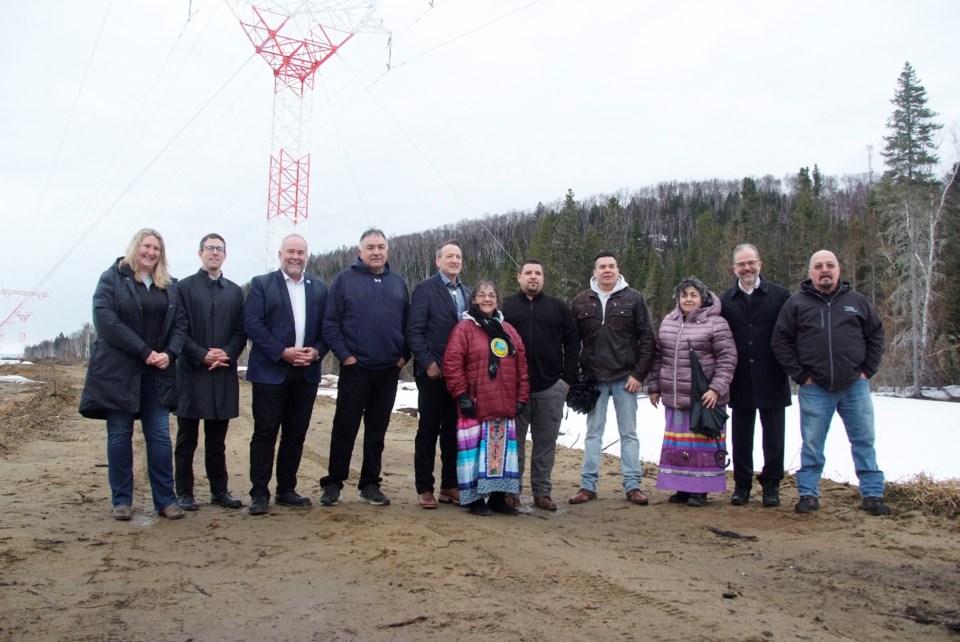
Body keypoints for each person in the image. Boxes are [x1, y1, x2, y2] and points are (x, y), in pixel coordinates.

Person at [79, 228, 187, 521]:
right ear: (135, 247)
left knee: (160, 438)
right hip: (119, 372)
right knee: (119, 436)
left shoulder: (169, 286)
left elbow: (180, 325)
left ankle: (166, 500)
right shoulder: (112, 278)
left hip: (157, 373)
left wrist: (169, 353)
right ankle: (122, 501)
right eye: (146, 246)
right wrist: (144, 351)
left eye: (156, 248)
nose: (151, 252)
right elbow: (106, 322)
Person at [772, 250, 889, 516]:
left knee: (863, 440)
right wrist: (801, 376)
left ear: (839, 269)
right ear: (810, 272)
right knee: (812, 443)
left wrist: (867, 369)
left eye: (830, 265)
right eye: (819, 266)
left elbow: (876, 335)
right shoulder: (796, 304)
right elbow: (781, 342)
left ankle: (872, 493)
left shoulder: (856, 301)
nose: (825, 270)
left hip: (854, 386)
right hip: (815, 387)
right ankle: (808, 494)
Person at [320, 228, 410, 507]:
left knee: (377, 431)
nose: (376, 251)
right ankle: (333, 483)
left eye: (381, 246)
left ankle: (370, 484)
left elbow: (409, 325)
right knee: (345, 428)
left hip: (388, 370)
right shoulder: (344, 281)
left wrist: (402, 357)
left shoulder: (398, 283)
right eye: (370, 247)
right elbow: (330, 324)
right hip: (355, 368)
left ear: (387, 251)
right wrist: (346, 357)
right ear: (360, 252)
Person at [243, 233, 328, 516]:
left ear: (307, 256)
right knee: (265, 432)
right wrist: (282, 352)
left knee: (295, 434)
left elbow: (328, 328)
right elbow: (253, 325)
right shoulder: (261, 285)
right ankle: (259, 493)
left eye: (301, 252)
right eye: (290, 251)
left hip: (306, 372)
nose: (295, 256)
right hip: (271, 372)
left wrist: (316, 351)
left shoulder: (319, 288)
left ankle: (286, 490)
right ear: (280, 255)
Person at [569, 252, 655, 506]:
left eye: (611, 266)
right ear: (594, 271)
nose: (607, 270)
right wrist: (576, 377)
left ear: (618, 270)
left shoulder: (634, 298)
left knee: (629, 433)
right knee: (593, 434)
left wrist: (639, 374)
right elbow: (573, 342)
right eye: (602, 267)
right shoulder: (581, 301)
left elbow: (647, 339)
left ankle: (633, 485)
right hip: (594, 380)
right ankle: (588, 485)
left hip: (625, 379)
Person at [648, 277, 737, 507]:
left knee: (701, 443)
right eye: (684, 295)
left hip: (704, 398)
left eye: (693, 295)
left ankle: (701, 489)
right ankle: (682, 487)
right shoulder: (669, 321)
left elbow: (727, 358)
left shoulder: (716, 323)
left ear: (702, 298)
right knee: (679, 444)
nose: (688, 299)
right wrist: (655, 386)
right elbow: (659, 356)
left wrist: (716, 389)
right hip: (676, 395)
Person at [173, 233, 247, 511]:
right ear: (200, 253)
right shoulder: (184, 288)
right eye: (209, 248)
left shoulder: (234, 291)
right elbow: (178, 328)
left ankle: (219, 491)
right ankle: (184, 492)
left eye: (219, 249)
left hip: (223, 372)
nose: (214, 253)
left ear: (225, 256)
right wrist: (201, 355)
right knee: (187, 439)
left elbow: (242, 331)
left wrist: (227, 352)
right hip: (192, 372)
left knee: (217, 441)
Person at [443, 280, 530, 516]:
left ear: (498, 300)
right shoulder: (464, 329)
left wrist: (521, 397)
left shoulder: (508, 330)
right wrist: (461, 395)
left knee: (500, 453)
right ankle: (474, 500)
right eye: (481, 295)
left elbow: (521, 365)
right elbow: (452, 363)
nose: (487, 299)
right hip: (475, 403)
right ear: (473, 300)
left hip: (503, 403)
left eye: (491, 295)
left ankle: (498, 499)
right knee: (474, 454)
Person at [501, 259, 579, 511]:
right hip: (514, 389)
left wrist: (566, 380)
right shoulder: (506, 307)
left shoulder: (557, 308)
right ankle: (512, 491)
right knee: (515, 445)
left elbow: (573, 342)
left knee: (545, 445)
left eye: (538, 273)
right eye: (528, 273)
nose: (533, 277)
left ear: (543, 278)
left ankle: (542, 492)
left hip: (550, 388)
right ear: (519, 277)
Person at [719, 244, 792, 507]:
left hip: (773, 375)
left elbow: (792, 334)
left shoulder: (781, 295)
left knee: (774, 437)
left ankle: (772, 485)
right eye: (741, 264)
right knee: (741, 435)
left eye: (751, 262)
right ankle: (742, 485)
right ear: (734, 268)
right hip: (739, 378)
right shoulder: (725, 300)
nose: (747, 268)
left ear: (759, 264)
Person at [406, 240, 471, 509]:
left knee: (454, 432)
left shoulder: (467, 292)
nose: (454, 260)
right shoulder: (425, 289)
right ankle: (425, 488)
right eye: (449, 256)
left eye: (458, 256)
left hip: (459, 376)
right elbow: (414, 331)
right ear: (438, 261)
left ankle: (449, 485)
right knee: (428, 430)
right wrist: (428, 362)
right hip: (432, 373)